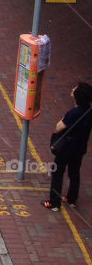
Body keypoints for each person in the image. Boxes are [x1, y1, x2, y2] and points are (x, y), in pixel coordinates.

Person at [45, 82, 92, 210]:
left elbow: (59, 127)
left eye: (75, 88)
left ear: (77, 96)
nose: (72, 89)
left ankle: (54, 203)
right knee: (74, 172)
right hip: (80, 148)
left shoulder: (73, 113)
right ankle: (71, 199)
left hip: (66, 149)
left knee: (57, 173)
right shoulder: (89, 111)